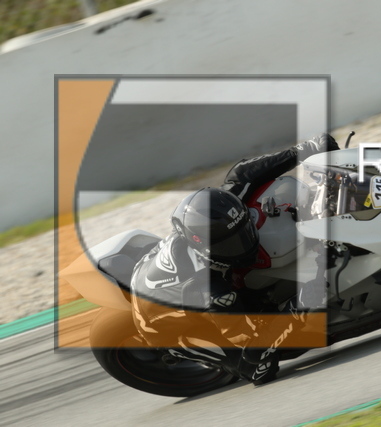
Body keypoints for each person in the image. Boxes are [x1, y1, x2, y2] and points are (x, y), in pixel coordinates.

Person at [130, 133, 340, 384]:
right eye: (231, 243)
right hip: (165, 322)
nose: (244, 242)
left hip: (161, 270)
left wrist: (306, 149)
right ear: (208, 250)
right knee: (256, 369)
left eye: (244, 229)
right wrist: (297, 308)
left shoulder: (220, 213)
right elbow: (254, 350)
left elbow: (242, 174)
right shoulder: (212, 292)